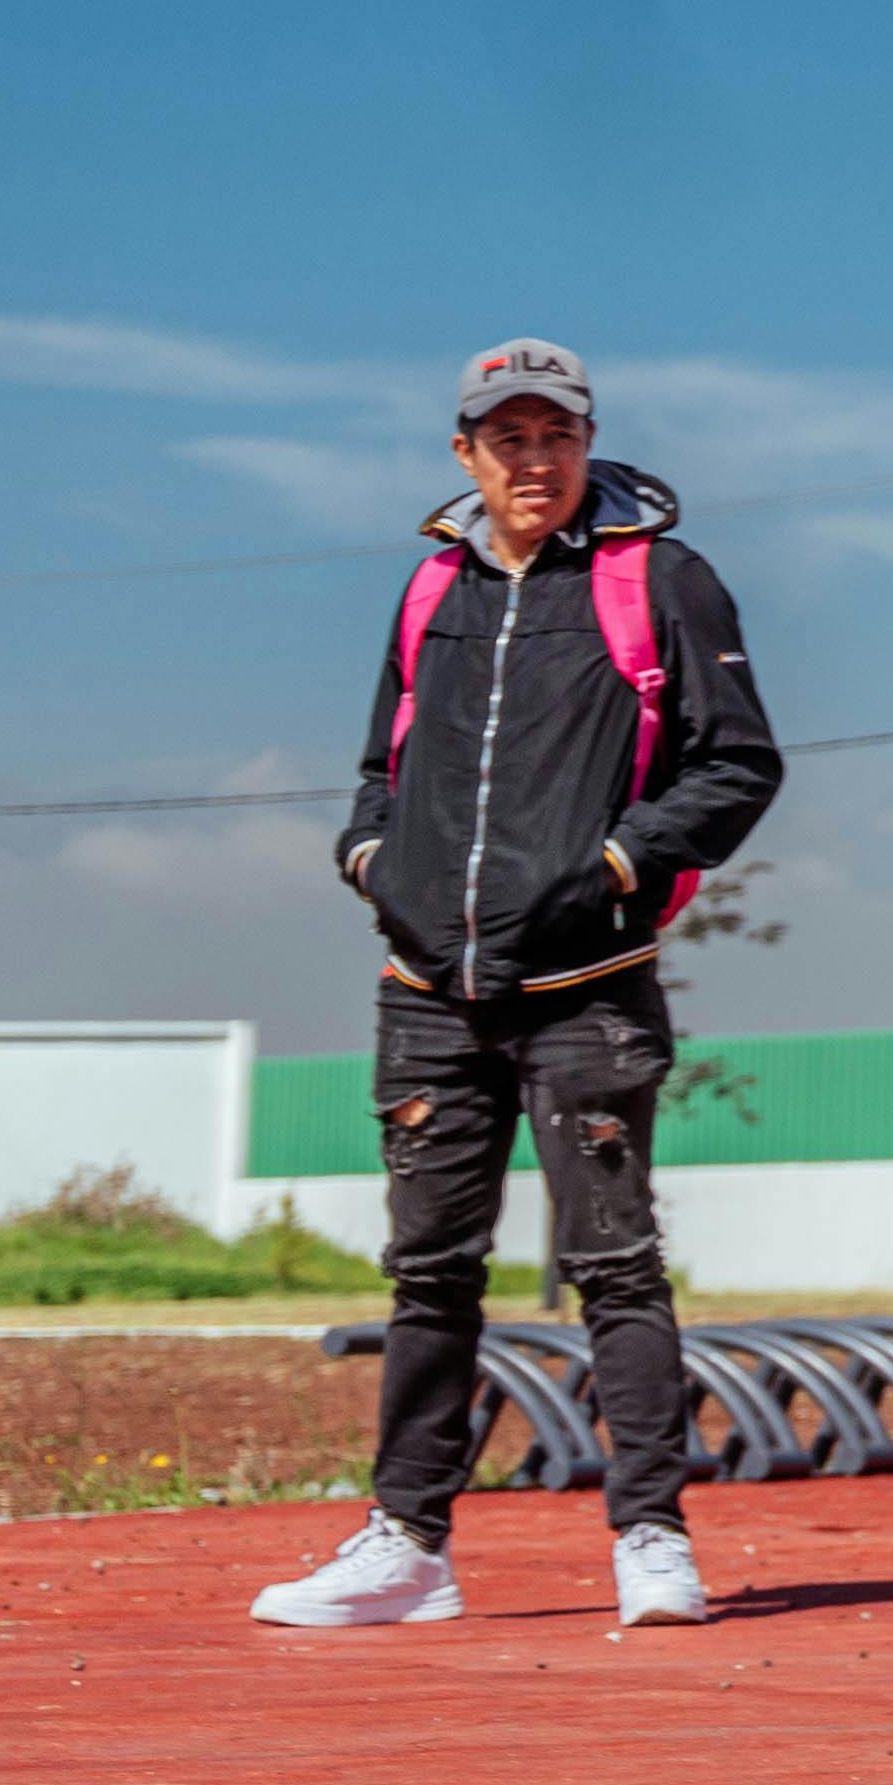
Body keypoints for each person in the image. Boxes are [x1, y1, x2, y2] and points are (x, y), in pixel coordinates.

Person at [254, 340, 780, 1634]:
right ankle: (407, 1547)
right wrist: (373, 860)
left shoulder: (657, 579)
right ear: (466, 452)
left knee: (616, 1264)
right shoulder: (432, 586)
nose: (534, 460)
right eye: (509, 439)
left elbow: (737, 764)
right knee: (429, 1272)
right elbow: (382, 767)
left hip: (587, 983)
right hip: (427, 987)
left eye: (557, 436)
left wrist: (613, 868)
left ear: (588, 443)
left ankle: (651, 1537)